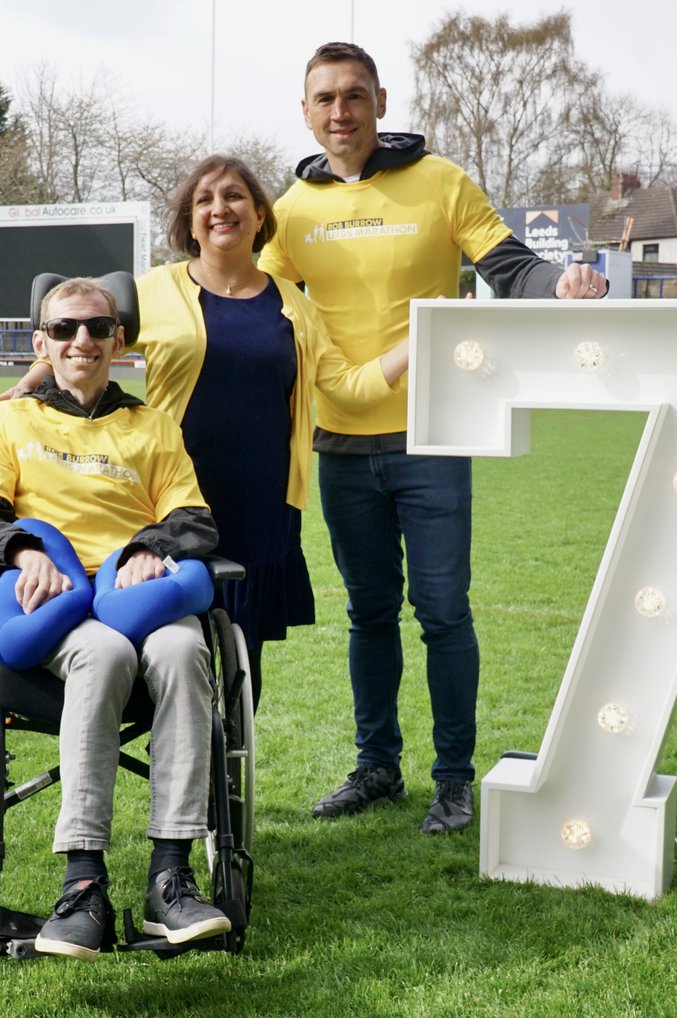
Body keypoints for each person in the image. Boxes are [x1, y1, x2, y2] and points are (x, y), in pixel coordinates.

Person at [257, 41, 609, 835]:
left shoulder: (441, 182)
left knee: (444, 611)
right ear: (306, 111)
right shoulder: (290, 211)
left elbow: (510, 266)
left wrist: (565, 282)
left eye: (354, 96)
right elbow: (248, 298)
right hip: (340, 442)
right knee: (370, 612)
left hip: (435, 435)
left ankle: (454, 780)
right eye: (324, 99)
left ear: (381, 102)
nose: (340, 112)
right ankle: (376, 767)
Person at [0, 155, 408, 707]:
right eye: (204, 200)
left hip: (261, 504)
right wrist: (29, 380)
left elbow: (346, 387)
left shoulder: (294, 305)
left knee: (241, 651)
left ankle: (225, 788)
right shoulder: (155, 291)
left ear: (260, 215)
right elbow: (81, 333)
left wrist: (414, 345)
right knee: (168, 640)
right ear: (188, 222)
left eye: (235, 196)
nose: (221, 209)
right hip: (170, 502)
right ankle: (172, 766)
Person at [0, 276, 231, 961]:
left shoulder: (152, 425)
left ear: (119, 340)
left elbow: (192, 518)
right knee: (102, 653)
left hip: (139, 591)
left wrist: (149, 547)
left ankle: (172, 877)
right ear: (41, 343)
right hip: (56, 605)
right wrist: (21, 552)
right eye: (67, 329)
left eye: (99, 329)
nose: (84, 341)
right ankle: (83, 884)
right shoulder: (10, 421)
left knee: (183, 651)